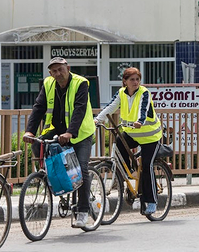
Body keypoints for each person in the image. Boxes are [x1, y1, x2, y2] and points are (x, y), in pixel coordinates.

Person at [24, 57, 96, 228]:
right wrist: (30, 130)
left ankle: (83, 211)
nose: (58, 74)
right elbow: (39, 107)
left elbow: (80, 109)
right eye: (54, 71)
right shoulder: (48, 83)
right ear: (50, 73)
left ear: (68, 68)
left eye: (60, 69)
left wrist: (70, 132)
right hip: (56, 128)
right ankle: (46, 175)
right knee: (37, 143)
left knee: (81, 169)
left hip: (80, 132)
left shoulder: (80, 83)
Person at [94, 67, 162, 215]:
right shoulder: (121, 93)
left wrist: (140, 121)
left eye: (137, 79)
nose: (136, 82)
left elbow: (143, 110)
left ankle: (151, 201)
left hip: (150, 136)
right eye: (132, 79)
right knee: (119, 142)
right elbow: (111, 107)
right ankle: (131, 172)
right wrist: (98, 119)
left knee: (146, 165)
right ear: (125, 81)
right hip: (132, 133)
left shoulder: (144, 92)